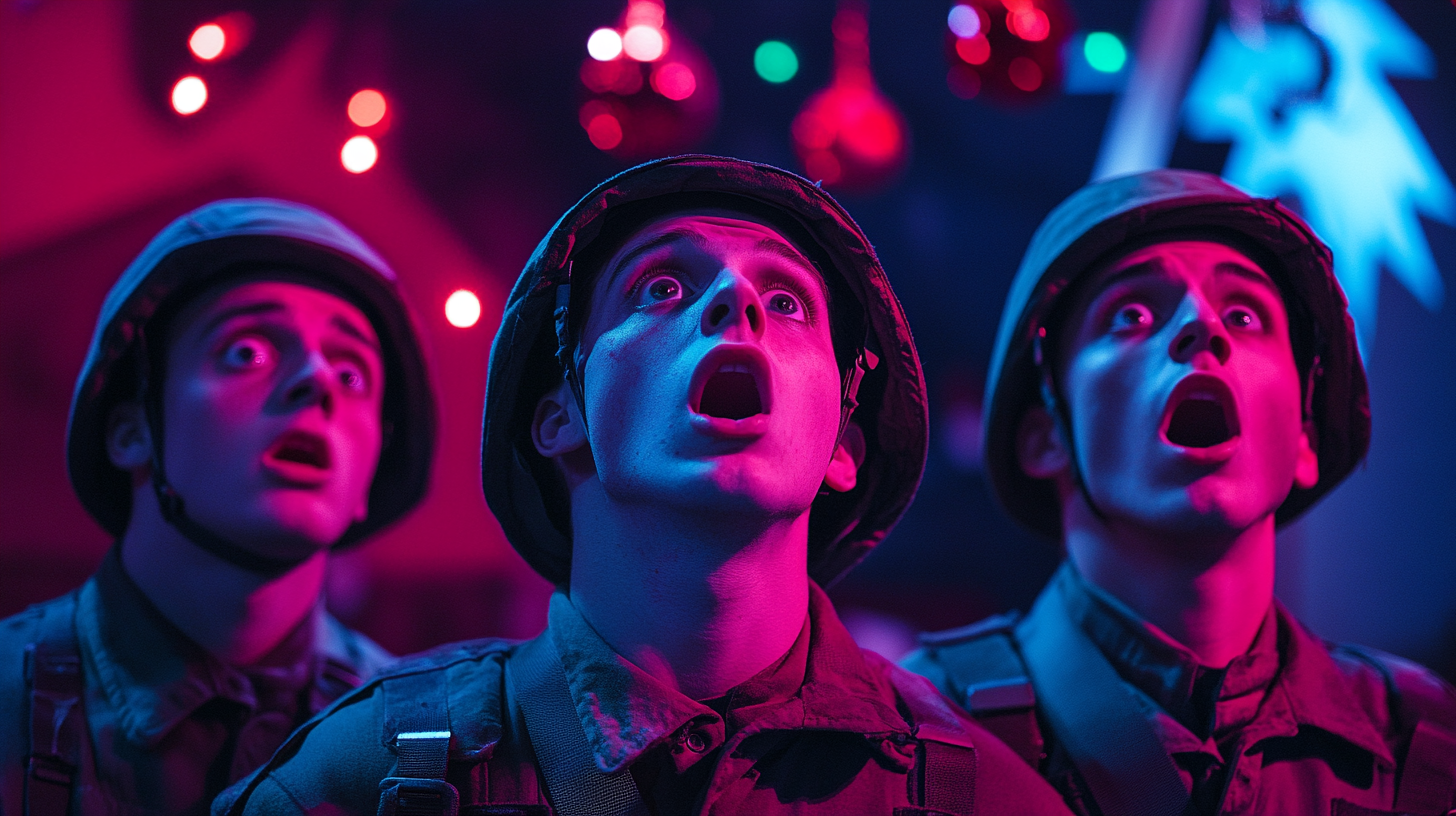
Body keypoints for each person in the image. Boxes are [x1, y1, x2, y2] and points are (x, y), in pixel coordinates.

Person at [216, 155, 1072, 815]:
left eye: (788, 302)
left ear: (843, 443)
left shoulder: (981, 794)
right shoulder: (373, 772)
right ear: (560, 415)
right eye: (661, 285)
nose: (735, 301)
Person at [902, 169, 1456, 815]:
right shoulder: (918, 731)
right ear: (1046, 434)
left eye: (1246, 314)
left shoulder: (1422, 735)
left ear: (1305, 435)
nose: (1202, 327)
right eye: (1130, 314)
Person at [0, 199, 437, 815]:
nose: (315, 378)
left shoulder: (420, 747)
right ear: (131, 430)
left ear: (367, 476)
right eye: (246, 351)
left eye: (352, 373)